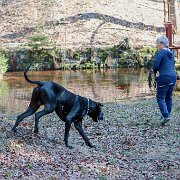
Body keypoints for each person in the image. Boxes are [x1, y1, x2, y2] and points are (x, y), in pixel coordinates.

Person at [152, 35, 177, 125]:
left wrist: (154, 71)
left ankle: (166, 116)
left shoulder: (161, 53)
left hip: (164, 78)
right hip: (173, 77)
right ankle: (167, 115)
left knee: (160, 97)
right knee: (168, 97)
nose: (157, 45)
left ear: (162, 44)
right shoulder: (171, 53)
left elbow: (155, 66)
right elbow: (172, 64)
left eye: (157, 43)